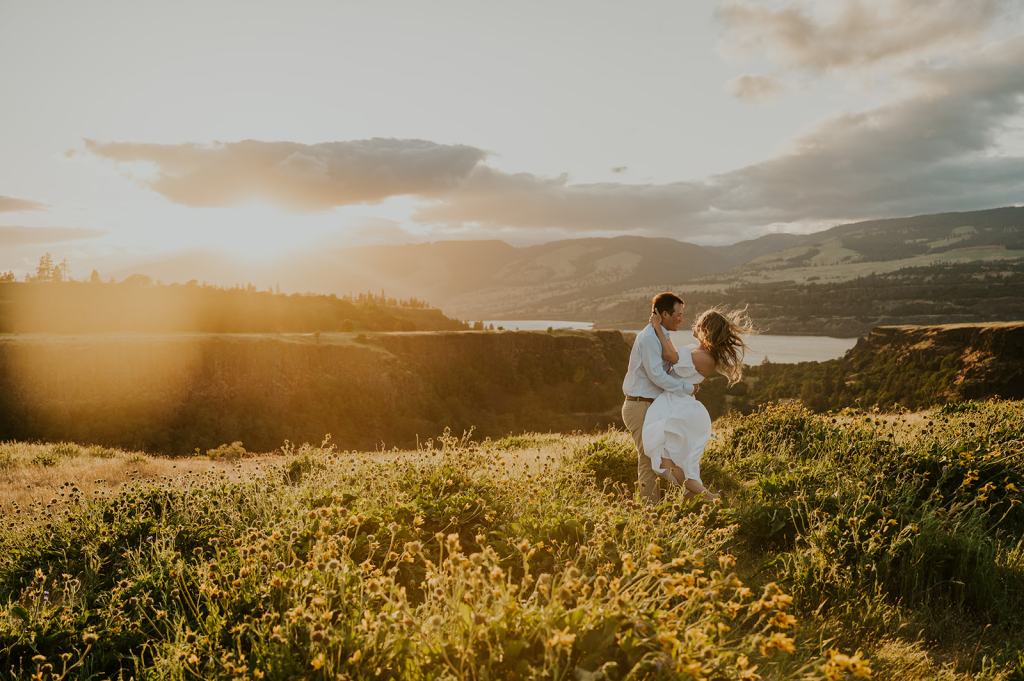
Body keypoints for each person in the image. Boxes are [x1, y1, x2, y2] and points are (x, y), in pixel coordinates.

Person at [642, 306, 754, 501]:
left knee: (667, 458)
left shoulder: (704, 357)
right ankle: (696, 496)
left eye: (699, 323)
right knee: (668, 459)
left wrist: (658, 328)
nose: (695, 325)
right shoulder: (698, 351)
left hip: (678, 409)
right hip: (673, 405)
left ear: (705, 329)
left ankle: (710, 498)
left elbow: (671, 356)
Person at [621, 292, 696, 503]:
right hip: (640, 406)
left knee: (656, 458)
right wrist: (686, 388)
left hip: (651, 406)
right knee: (651, 459)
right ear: (664, 314)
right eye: (678, 314)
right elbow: (656, 376)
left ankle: (655, 506)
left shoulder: (660, 334)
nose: (681, 318)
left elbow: (672, 360)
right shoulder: (648, 338)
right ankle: (692, 496)